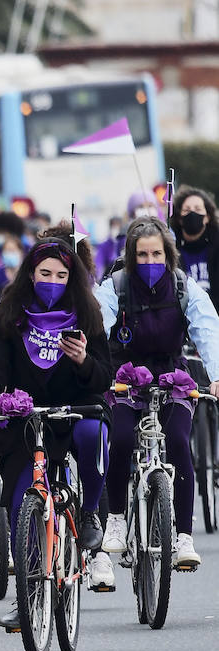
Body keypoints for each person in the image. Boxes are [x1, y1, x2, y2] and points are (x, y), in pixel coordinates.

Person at [0, 236, 111, 632]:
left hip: (76, 411)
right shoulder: (7, 318)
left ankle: (88, 516)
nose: (52, 281)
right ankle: (26, 596)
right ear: (30, 274)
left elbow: (104, 375)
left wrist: (84, 360)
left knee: (92, 435)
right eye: (45, 273)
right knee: (19, 506)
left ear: (73, 280)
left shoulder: (88, 316)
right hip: (25, 419)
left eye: (62, 276)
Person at [94, 216, 219, 575]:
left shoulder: (184, 287)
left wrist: (216, 375)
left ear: (169, 255)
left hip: (172, 375)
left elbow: (207, 329)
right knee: (118, 439)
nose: (150, 262)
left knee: (180, 442)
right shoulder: (115, 286)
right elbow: (97, 325)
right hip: (125, 377)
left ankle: (183, 537)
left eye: (157, 254)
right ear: (132, 257)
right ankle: (116, 518)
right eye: (143, 255)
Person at [170, 186, 219, 309]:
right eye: (186, 210)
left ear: (207, 216)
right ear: (180, 218)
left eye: (198, 209)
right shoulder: (171, 250)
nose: (192, 213)